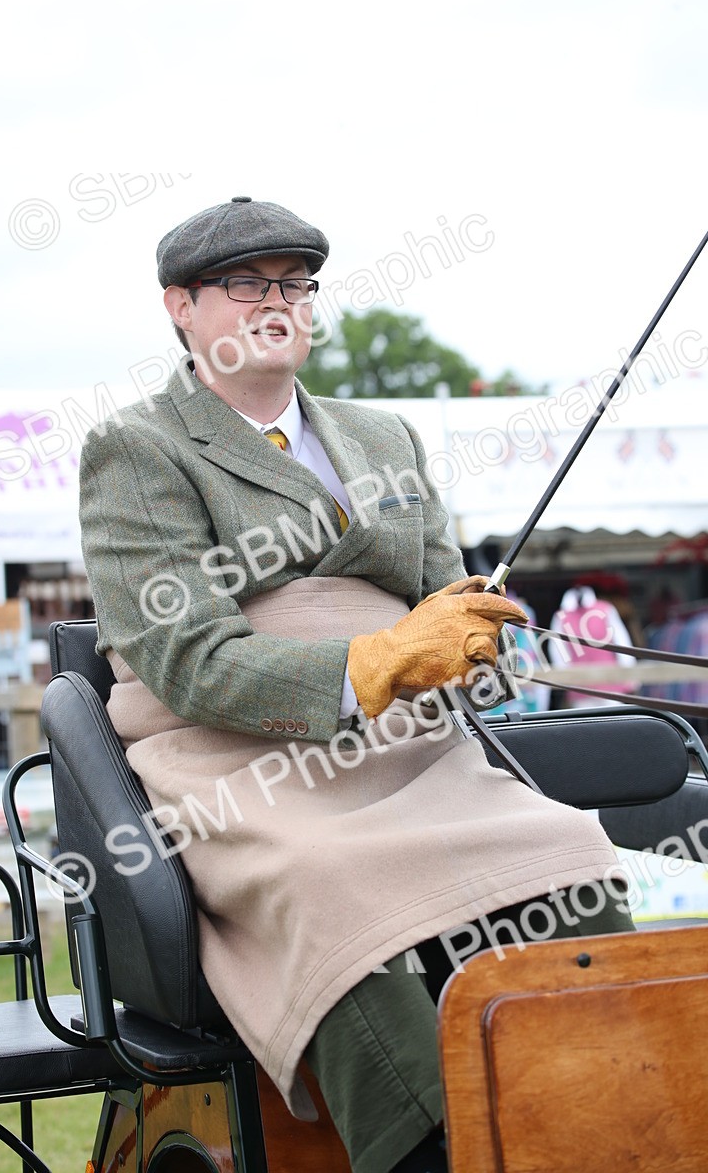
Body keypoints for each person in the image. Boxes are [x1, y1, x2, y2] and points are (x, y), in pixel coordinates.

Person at [78, 197, 633, 1173]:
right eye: (246, 283)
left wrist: (476, 640)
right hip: (237, 767)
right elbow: (188, 662)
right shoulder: (139, 449)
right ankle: (426, 1144)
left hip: (411, 752)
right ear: (180, 308)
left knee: (564, 851)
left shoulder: (383, 439)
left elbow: (444, 601)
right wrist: (377, 658)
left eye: (293, 283)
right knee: (336, 891)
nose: (275, 301)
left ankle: (596, 1115)